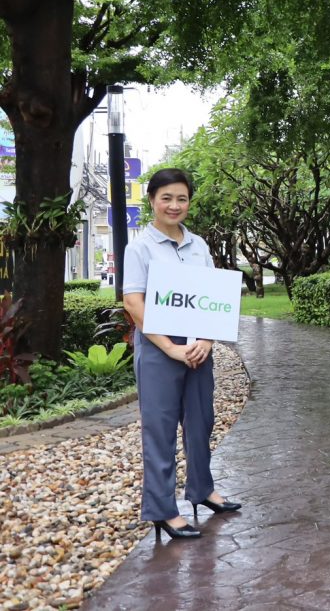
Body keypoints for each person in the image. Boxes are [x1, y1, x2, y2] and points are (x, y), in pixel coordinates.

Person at [122, 168, 241, 541]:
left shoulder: (198, 245)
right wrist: (171, 347)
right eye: (166, 198)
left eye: (182, 198)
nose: (174, 205)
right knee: (160, 428)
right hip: (159, 347)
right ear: (152, 201)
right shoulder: (140, 248)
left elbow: (212, 296)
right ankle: (162, 510)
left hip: (198, 346)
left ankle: (202, 490)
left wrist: (207, 339)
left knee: (202, 420)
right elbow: (133, 303)